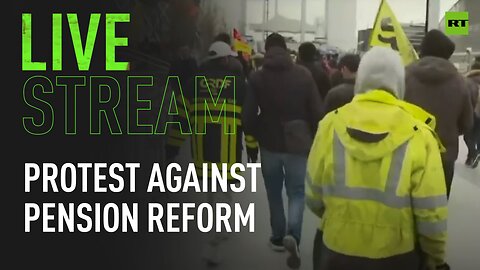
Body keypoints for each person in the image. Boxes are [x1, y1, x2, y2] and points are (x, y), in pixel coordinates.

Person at [307, 47, 449, 270]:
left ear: (360, 79)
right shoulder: (420, 134)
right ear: (399, 83)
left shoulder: (330, 125)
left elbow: (313, 196)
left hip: (336, 249)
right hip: (397, 256)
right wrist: (436, 258)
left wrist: (341, 220)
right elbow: (431, 212)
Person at [166, 41, 258, 266]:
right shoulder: (240, 85)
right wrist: (253, 148)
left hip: (202, 150)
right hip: (228, 151)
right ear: (227, 60)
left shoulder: (191, 84)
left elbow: (180, 119)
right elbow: (248, 121)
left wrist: (172, 147)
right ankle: (217, 237)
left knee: (211, 191)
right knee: (223, 191)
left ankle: (218, 228)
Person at [242, 33, 323, 269]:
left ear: (267, 51)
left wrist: (259, 133)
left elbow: (247, 117)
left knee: (274, 191)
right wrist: (309, 134)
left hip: (270, 144)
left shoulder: (257, 77)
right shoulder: (304, 75)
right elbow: (318, 112)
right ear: (286, 49)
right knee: (297, 192)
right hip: (298, 144)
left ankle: (277, 237)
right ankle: (294, 235)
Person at [404, 29, 473, 197]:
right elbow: (467, 124)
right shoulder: (460, 82)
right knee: (437, 210)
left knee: (405, 210)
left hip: (407, 154)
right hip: (443, 157)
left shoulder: (403, 76)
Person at [464, 62, 480, 168]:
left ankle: (473, 153)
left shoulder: (468, 80)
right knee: (477, 135)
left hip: (473, 111)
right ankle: (472, 156)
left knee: (468, 136)